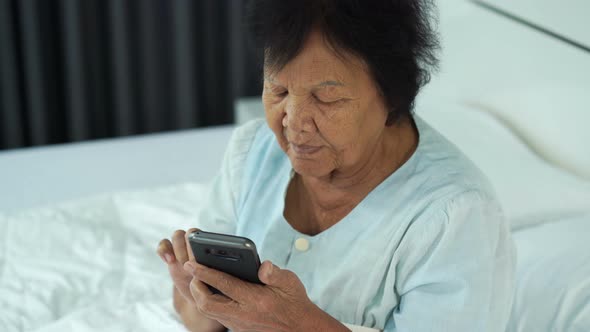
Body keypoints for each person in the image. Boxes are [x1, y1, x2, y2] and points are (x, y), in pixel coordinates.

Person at [157, 1, 516, 331]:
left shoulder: (455, 217)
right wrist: (199, 297)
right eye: (278, 91)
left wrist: (301, 325)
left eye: (327, 98)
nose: (294, 123)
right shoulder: (252, 151)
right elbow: (203, 324)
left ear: (392, 95)